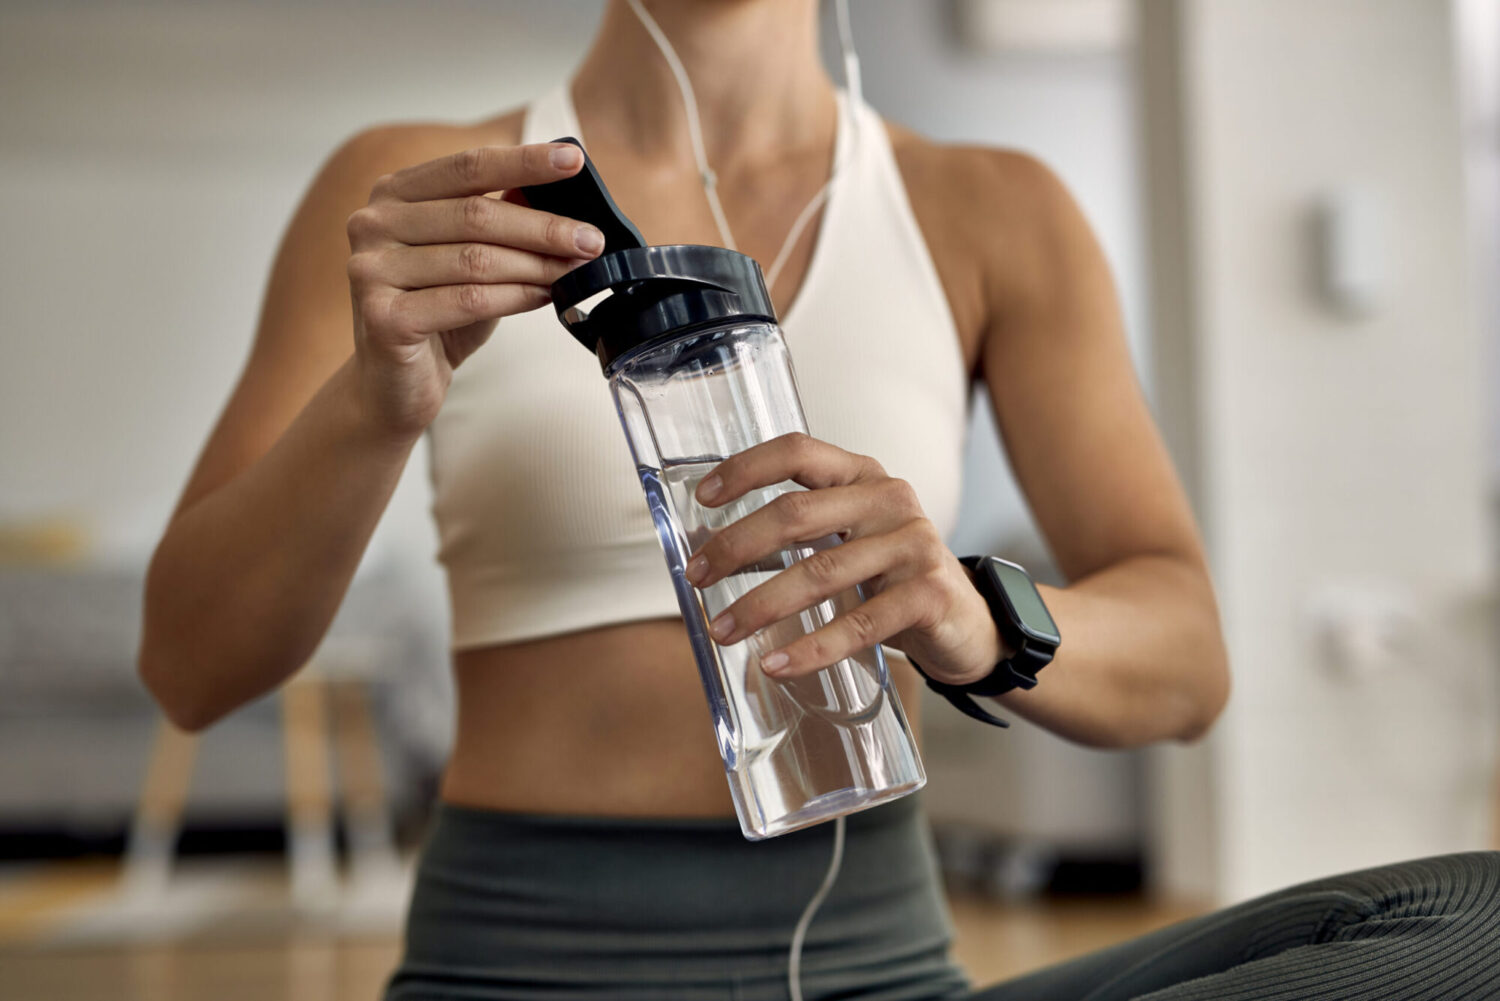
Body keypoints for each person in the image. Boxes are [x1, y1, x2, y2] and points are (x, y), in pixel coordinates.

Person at [137, 1, 1500, 998]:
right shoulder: (430, 201)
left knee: (1468, 918)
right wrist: (372, 407)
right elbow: (191, 665)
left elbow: (1187, 663)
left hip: (872, 969)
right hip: (519, 962)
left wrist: (972, 614)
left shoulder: (990, 210)